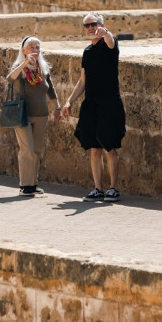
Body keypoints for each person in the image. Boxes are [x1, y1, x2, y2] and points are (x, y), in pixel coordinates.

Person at [58, 13, 124, 201]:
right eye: (86, 25)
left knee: (109, 147)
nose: (90, 28)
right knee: (94, 149)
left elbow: (110, 41)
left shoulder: (110, 44)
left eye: (94, 24)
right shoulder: (87, 52)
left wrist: (106, 33)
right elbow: (82, 81)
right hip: (91, 104)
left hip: (109, 103)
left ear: (101, 25)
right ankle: (97, 188)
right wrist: (69, 101)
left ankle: (113, 188)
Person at [7, 36, 58, 196]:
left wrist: (57, 107)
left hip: (41, 114)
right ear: (23, 50)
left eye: (37, 47)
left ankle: (33, 183)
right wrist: (24, 63)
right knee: (27, 149)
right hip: (22, 114)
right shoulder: (19, 67)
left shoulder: (42, 68)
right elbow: (9, 79)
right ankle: (25, 185)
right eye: (31, 47)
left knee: (36, 150)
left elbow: (50, 89)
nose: (35, 50)